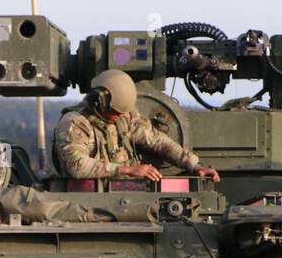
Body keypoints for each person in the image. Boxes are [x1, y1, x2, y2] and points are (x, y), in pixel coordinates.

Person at [54, 69, 220, 184]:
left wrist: (193, 165)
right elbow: (76, 166)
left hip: (125, 194)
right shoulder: (75, 123)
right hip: (90, 201)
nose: (121, 116)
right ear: (100, 101)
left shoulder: (124, 117)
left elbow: (155, 140)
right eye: (116, 112)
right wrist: (127, 170)